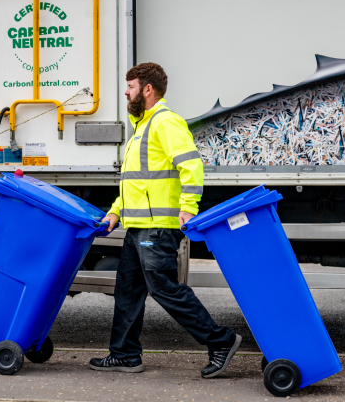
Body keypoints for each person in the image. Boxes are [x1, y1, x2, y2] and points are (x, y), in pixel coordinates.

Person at [89, 62, 241, 378]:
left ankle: (221, 341)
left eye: (130, 86)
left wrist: (189, 206)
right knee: (127, 290)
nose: (126, 92)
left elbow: (191, 166)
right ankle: (125, 354)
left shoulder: (165, 122)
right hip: (138, 227)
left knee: (164, 288)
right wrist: (116, 210)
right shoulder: (141, 128)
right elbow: (135, 181)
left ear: (147, 89)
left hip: (158, 227)